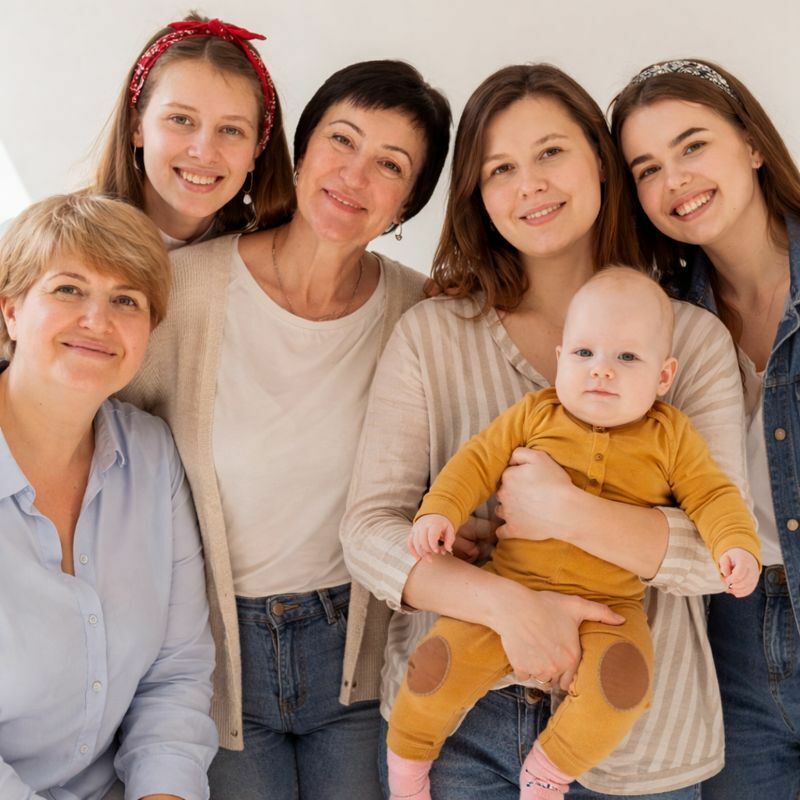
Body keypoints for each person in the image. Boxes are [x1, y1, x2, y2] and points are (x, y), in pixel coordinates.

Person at [341, 64, 749, 799]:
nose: (529, 184)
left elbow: (715, 553)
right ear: (477, 191)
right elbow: (371, 532)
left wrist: (563, 511)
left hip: (638, 744)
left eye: (551, 152)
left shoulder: (690, 341)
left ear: (601, 159)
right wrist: (509, 607)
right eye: (500, 167)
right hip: (455, 737)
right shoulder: (431, 334)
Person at [120, 60, 451, 799]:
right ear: (300, 152)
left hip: (360, 656)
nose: (354, 175)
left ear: (407, 203)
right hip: (214, 661)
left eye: (390, 165)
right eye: (342, 140)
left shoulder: (421, 314)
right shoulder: (183, 288)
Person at [387, 268, 760, 800]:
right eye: (584, 353)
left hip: (611, 609)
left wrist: (735, 544)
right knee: (433, 668)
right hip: (509, 588)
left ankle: (548, 772)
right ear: (561, 359)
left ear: (663, 376)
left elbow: (713, 496)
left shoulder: (670, 436)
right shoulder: (535, 414)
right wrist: (439, 512)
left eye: (627, 357)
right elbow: (475, 462)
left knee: (624, 686)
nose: (601, 370)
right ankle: (407, 772)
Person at [611, 57, 800, 800]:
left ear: (751, 143)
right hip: (728, 636)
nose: (675, 180)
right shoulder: (660, 321)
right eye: (647, 168)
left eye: (692, 145)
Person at [0, 192, 217, 800]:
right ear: (10, 310)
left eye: (127, 300)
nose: (97, 320)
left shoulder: (151, 454)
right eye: (68, 289)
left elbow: (175, 676)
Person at [94, 13, 294, 248]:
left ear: (257, 148)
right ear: (136, 126)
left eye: (231, 130)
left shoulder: (271, 255)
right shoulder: (69, 249)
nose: (204, 153)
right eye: (181, 119)